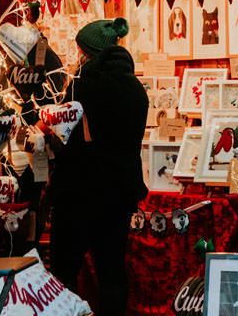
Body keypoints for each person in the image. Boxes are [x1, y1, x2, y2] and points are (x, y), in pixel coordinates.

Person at [50, 18, 149, 315]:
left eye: (80, 51)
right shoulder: (136, 89)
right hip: (119, 195)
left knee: (64, 269)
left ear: (88, 52)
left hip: (79, 193)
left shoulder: (82, 86)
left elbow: (66, 140)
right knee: (112, 271)